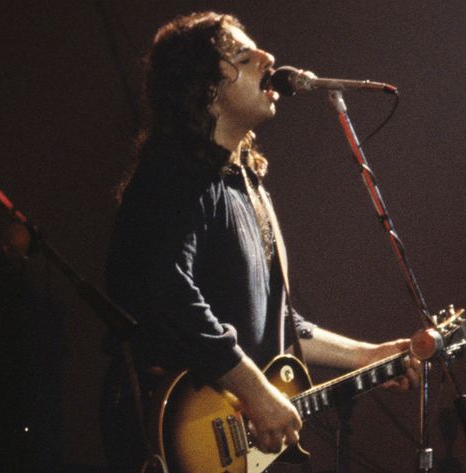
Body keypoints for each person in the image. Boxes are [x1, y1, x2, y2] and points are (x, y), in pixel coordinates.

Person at [100, 11, 418, 472]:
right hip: (167, 430)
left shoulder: (246, 184)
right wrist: (253, 389)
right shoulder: (173, 171)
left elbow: (280, 325)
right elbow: (164, 290)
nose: (268, 57)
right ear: (204, 85)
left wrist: (370, 357)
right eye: (244, 56)